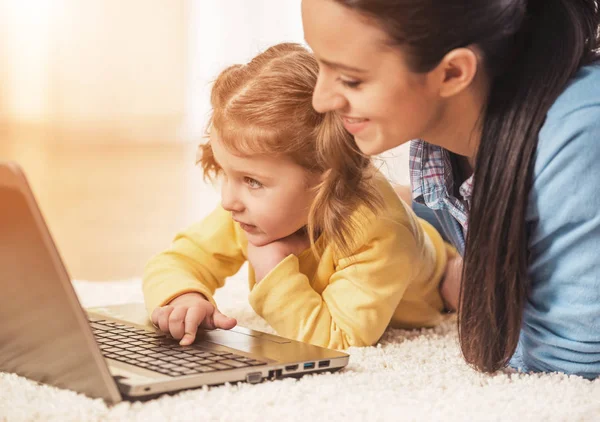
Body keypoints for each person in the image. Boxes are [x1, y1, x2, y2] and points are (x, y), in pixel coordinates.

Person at [301, 0, 600, 378]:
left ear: (453, 72)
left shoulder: (580, 134)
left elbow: (572, 361)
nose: (320, 99)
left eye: (351, 78)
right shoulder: (445, 135)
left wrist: (470, 285)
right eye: (320, 62)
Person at [142, 43, 456, 350]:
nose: (228, 201)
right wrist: (182, 297)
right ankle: (410, 200)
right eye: (228, 174)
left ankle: (433, 219)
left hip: (435, 273)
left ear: (324, 179)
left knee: (473, 295)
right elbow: (177, 260)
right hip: (383, 218)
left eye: (252, 181)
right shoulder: (246, 211)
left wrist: (272, 271)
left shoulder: (377, 234)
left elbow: (340, 340)